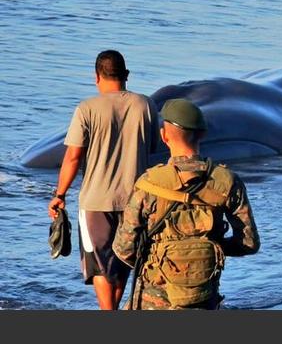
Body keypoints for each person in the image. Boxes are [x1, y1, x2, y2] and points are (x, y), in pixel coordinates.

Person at [113, 98, 260, 310]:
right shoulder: (227, 181)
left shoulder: (149, 184)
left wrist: (163, 256)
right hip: (204, 296)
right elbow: (249, 242)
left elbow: (124, 248)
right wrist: (209, 249)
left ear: (164, 136)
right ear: (202, 134)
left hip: (153, 299)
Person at [46, 50, 159, 310]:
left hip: (96, 201)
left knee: (99, 265)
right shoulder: (145, 105)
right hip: (135, 200)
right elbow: (152, 147)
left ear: (96, 76)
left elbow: (73, 157)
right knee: (123, 262)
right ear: (126, 76)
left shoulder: (87, 108)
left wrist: (59, 194)